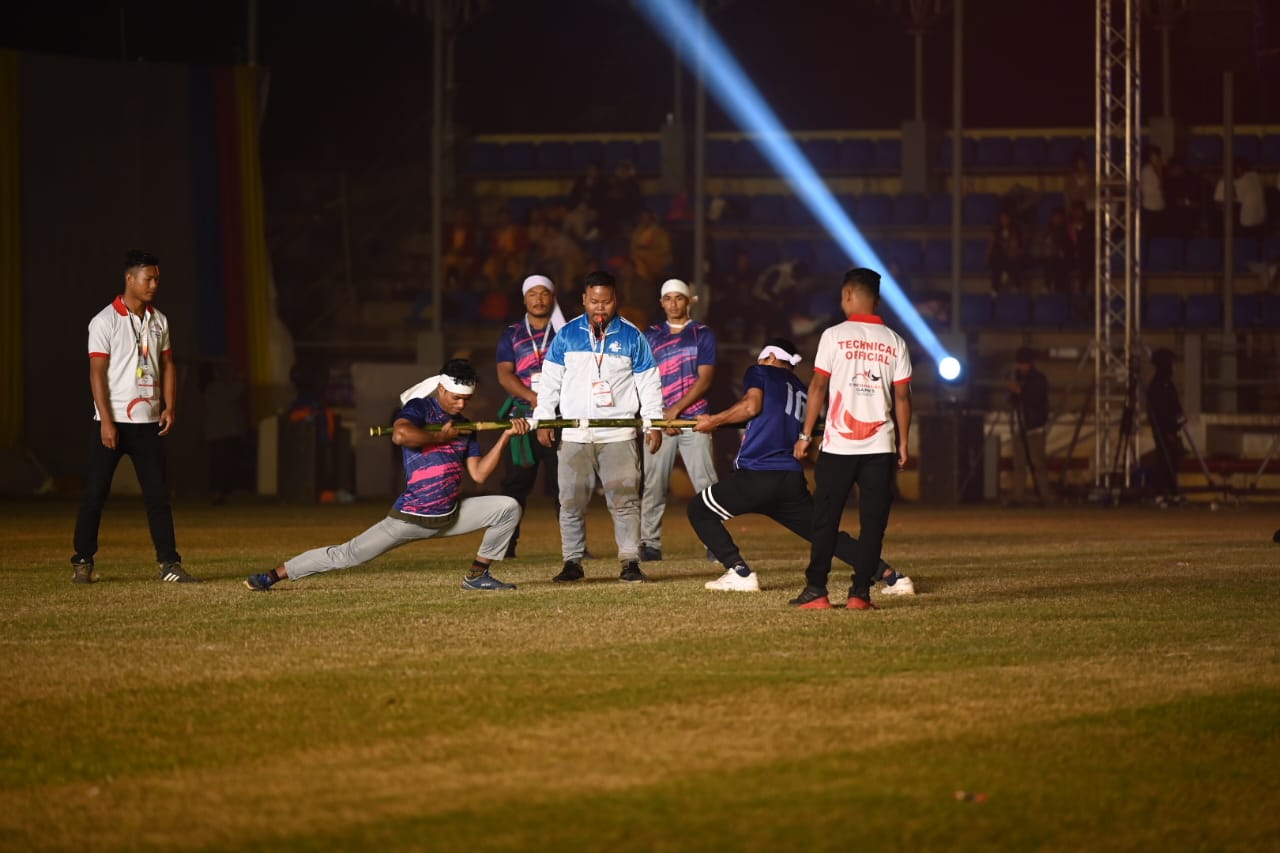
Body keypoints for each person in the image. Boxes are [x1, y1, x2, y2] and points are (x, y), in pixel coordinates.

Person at [244, 359, 529, 592]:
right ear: (441, 389)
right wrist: (442, 439)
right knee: (346, 555)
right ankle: (272, 575)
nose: (461, 405)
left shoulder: (466, 426)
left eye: (466, 400)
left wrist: (505, 438)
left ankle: (477, 577)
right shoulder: (420, 408)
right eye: (456, 398)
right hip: (409, 518)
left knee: (507, 508)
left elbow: (478, 475)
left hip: (450, 516)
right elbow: (401, 435)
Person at [689, 337, 912, 595]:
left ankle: (739, 571)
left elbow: (751, 406)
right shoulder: (803, 390)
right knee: (824, 535)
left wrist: (713, 421)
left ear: (770, 358)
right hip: (790, 478)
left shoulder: (760, 371)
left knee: (699, 510)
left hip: (759, 473)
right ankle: (893, 576)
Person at [71, 250, 197, 584]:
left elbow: (169, 365)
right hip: (110, 423)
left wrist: (169, 407)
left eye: (157, 278)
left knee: (158, 496)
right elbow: (96, 373)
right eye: (148, 278)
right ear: (130, 278)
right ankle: (82, 561)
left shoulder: (160, 320)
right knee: (95, 493)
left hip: (148, 423)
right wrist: (107, 421)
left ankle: (169, 563)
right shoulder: (104, 321)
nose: (154, 284)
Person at [531, 269, 665, 583]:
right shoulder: (566, 335)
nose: (600, 308)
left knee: (624, 499)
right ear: (584, 300)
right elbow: (549, 382)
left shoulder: (632, 336)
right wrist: (545, 419)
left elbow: (649, 384)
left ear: (615, 300)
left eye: (605, 301)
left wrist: (653, 424)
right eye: (594, 301)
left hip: (618, 434)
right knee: (570, 499)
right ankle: (572, 561)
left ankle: (630, 561)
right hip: (575, 433)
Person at [790, 268, 912, 610]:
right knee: (873, 523)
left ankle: (817, 590)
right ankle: (860, 594)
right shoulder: (895, 341)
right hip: (881, 447)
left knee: (825, 519)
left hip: (838, 446)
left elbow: (817, 387)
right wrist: (903, 444)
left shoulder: (833, 336)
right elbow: (902, 398)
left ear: (848, 295)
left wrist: (805, 434)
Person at [639, 278, 719, 562]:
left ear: (688, 301)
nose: (673, 303)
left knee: (706, 484)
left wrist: (676, 411)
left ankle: (715, 542)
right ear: (662, 303)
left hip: (694, 419)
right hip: (659, 420)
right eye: (668, 298)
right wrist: (659, 416)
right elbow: (644, 379)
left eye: (679, 298)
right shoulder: (649, 336)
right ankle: (649, 544)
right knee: (653, 484)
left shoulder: (702, 334)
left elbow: (705, 378)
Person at [495, 274, 567, 558]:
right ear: (524, 298)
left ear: (553, 297)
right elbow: (504, 374)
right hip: (523, 419)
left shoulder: (565, 332)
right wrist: (537, 399)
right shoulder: (511, 333)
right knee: (514, 487)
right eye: (532, 294)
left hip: (560, 419)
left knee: (566, 487)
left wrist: (551, 405)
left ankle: (573, 549)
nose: (538, 299)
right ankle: (505, 547)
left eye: (544, 293)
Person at [1008, 346, 1051, 506]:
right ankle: (1017, 496)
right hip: (1021, 426)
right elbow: (1013, 401)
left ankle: (1044, 496)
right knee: (1019, 464)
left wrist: (1020, 392)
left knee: (1038, 463)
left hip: (1034, 427)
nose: (1021, 367)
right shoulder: (1019, 378)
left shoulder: (1038, 379)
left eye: (1023, 363)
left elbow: (1036, 399)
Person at [1147, 348, 1185, 505]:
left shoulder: (1169, 386)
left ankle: (1172, 491)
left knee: (1173, 459)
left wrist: (1180, 420)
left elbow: (1176, 406)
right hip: (1162, 430)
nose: (1175, 367)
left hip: (1172, 429)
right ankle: (1160, 492)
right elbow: (1158, 413)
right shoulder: (1156, 386)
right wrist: (1168, 429)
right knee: (1163, 460)